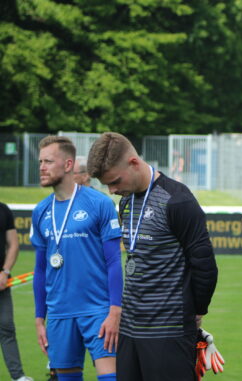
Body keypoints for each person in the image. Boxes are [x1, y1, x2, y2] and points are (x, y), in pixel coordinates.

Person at [87, 132, 218, 381]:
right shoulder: (126, 202)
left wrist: (196, 311)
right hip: (130, 330)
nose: (112, 190)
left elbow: (205, 265)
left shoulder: (178, 200)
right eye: (107, 185)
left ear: (133, 163)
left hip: (168, 331)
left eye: (115, 181)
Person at [30, 136, 122, 381]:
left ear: (68, 165)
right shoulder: (40, 211)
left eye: (48, 161)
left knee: (110, 377)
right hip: (59, 314)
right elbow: (40, 270)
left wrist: (115, 312)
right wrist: (40, 319)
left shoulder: (99, 203)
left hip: (98, 311)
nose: (41, 167)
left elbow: (114, 262)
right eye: (40, 161)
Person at [0, 202, 32, 381]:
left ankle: (17, 376)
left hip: (2, 283)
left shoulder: (3, 210)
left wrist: (4, 272)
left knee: (6, 328)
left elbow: (13, 244)